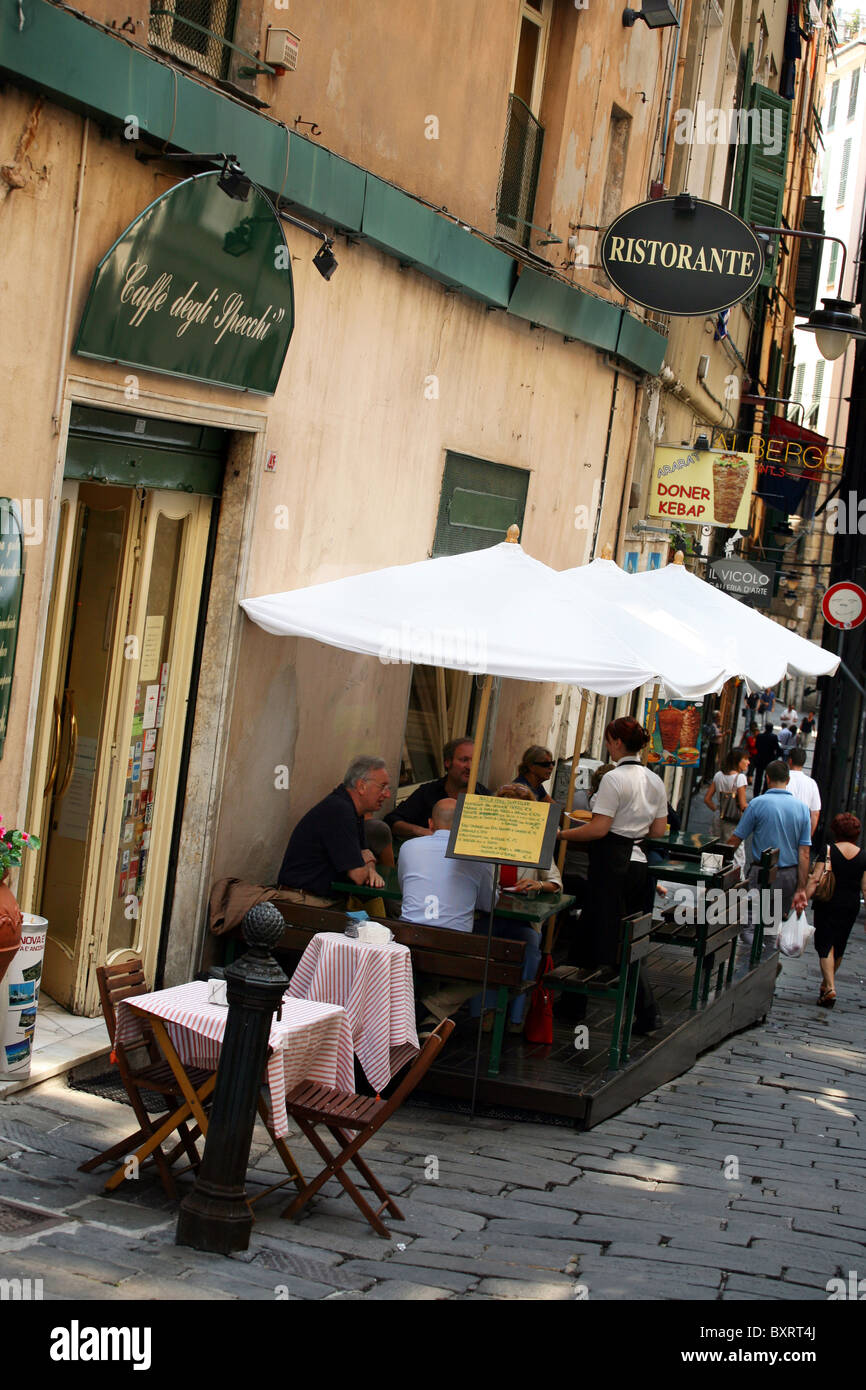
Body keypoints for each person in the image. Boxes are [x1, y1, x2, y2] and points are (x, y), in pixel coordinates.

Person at [557, 717, 668, 1033]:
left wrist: (561, 835)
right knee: (611, 931)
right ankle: (573, 1003)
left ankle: (647, 1012)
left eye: (608, 740)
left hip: (611, 862)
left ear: (617, 742)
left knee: (610, 933)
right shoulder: (655, 780)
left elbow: (599, 828)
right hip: (638, 862)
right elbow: (658, 830)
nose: (607, 745)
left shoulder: (613, 779)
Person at [471, 783, 562, 1034]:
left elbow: (555, 881)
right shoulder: (481, 836)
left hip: (521, 918)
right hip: (485, 914)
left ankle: (514, 1017)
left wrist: (538, 883)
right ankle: (484, 1012)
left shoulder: (534, 842)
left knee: (530, 946)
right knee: (483, 945)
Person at [397, 798, 495, 1024]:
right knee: (496, 969)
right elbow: (488, 904)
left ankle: (424, 1018)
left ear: (431, 823)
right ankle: (430, 1009)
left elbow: (405, 887)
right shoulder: (478, 855)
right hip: (454, 949)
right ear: (463, 825)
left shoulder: (408, 847)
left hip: (410, 941)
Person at [277, 756, 391, 904]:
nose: (387, 794)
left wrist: (368, 864)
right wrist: (368, 860)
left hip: (321, 900)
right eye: (382, 787)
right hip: (303, 901)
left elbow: (363, 856)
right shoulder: (340, 810)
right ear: (362, 786)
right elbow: (358, 875)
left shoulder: (353, 811)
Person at [726, 760, 811, 938]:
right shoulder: (803, 809)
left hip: (761, 873)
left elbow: (736, 838)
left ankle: (750, 961)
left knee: (750, 923)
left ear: (767, 778)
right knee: (773, 925)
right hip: (788, 875)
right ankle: (767, 959)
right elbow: (804, 853)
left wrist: (720, 862)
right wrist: (801, 888)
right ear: (788, 780)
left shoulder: (757, 804)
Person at [806, 812, 866, 1009]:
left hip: (828, 903)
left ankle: (830, 987)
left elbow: (815, 878)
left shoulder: (828, 850)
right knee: (839, 945)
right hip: (850, 905)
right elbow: (865, 888)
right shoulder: (863, 856)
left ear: (836, 830)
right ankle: (825, 986)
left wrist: (803, 899)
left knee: (824, 944)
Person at [385, 736, 489, 839]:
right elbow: (392, 821)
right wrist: (421, 831)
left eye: (474, 761)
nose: (470, 767)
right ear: (448, 762)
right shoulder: (428, 792)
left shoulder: (485, 797)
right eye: (464, 760)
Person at [703, 747, 749, 839]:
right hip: (733, 820)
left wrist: (718, 810)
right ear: (738, 761)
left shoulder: (718, 775)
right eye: (746, 759)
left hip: (718, 817)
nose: (748, 762)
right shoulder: (740, 778)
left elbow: (707, 799)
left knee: (715, 848)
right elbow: (743, 805)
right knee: (733, 850)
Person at [787, 748, 821, 837]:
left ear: (790, 761)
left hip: (781, 826)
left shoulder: (782, 779)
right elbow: (815, 813)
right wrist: (808, 837)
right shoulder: (812, 783)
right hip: (800, 830)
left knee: (774, 850)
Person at [752, 722, 782, 796]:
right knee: (767, 778)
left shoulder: (759, 736)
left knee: (758, 777)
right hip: (769, 760)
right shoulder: (774, 737)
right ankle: (764, 792)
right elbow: (777, 748)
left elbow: (756, 746)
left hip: (760, 759)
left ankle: (756, 793)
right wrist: (776, 756)